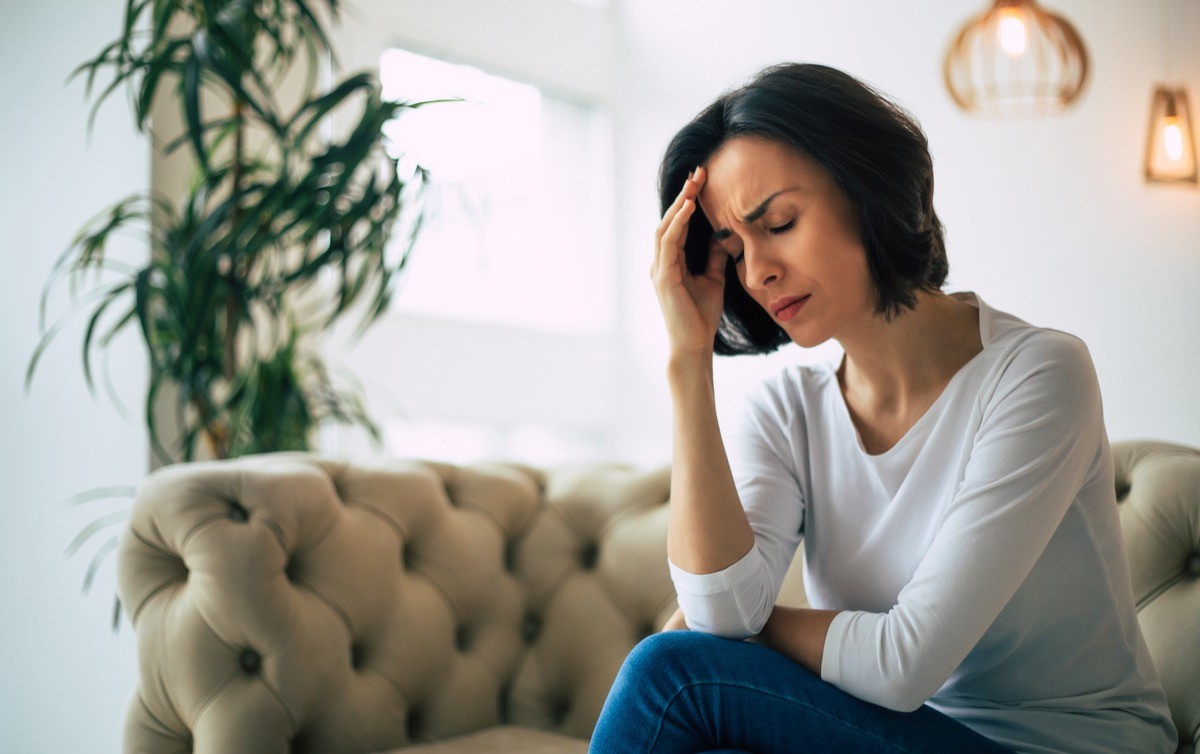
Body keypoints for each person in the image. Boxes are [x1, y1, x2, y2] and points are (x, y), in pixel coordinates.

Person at [588, 63, 1177, 754]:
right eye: (733, 250)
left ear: (867, 189)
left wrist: (753, 625)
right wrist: (688, 362)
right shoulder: (789, 410)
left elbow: (902, 664)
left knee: (670, 675)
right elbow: (721, 611)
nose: (757, 273)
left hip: (1064, 748)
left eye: (778, 222)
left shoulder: (1039, 374)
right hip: (903, 737)